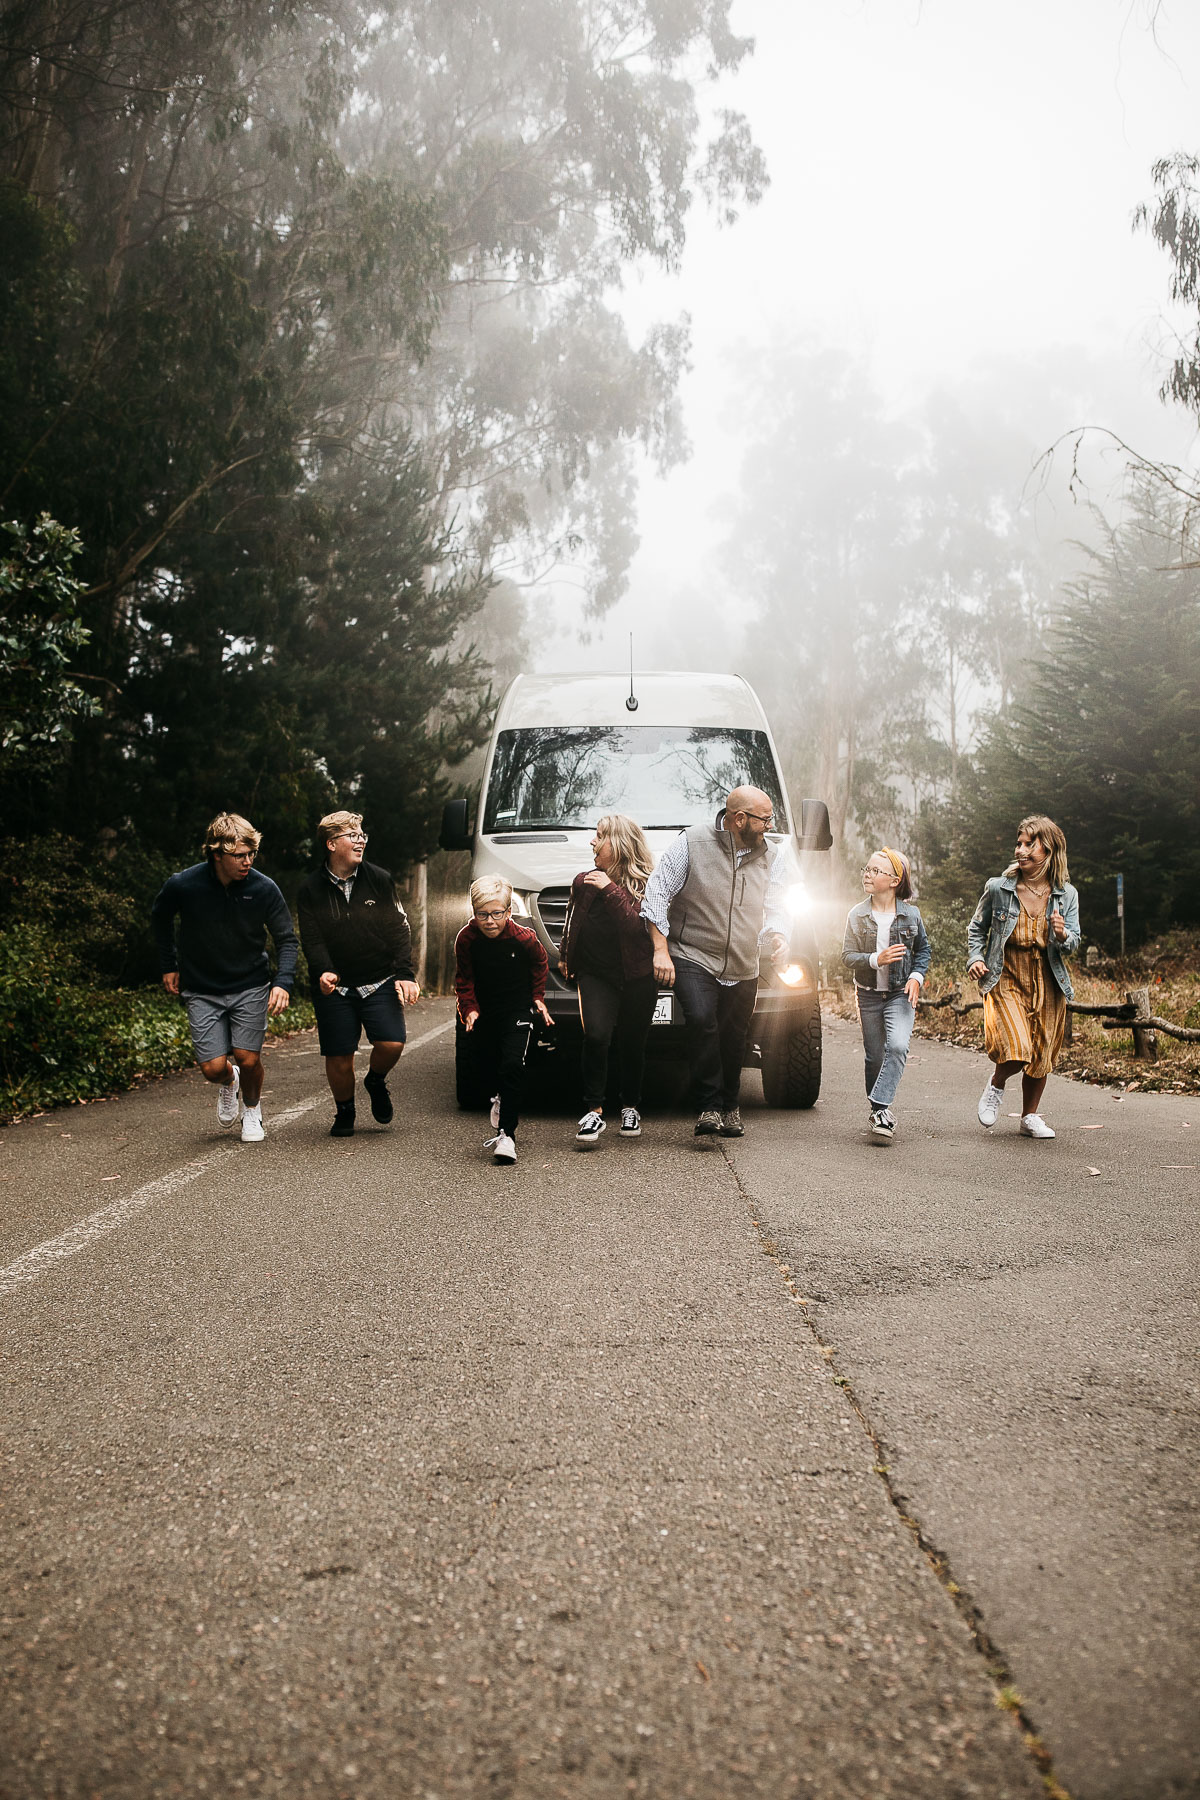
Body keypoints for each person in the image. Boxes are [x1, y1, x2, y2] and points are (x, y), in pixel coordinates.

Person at [640, 785, 790, 1137]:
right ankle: (709, 1106)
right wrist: (660, 949)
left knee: (734, 1035)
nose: (769, 825)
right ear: (740, 819)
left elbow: (778, 906)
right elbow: (658, 893)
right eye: (764, 819)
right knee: (702, 1019)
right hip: (693, 953)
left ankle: (730, 1105)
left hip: (743, 961)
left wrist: (780, 936)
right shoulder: (691, 843)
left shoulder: (773, 856)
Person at [150, 811, 297, 1143]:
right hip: (201, 988)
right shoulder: (183, 885)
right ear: (217, 854)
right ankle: (229, 1082)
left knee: (248, 1057)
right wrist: (168, 964)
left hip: (250, 984)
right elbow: (160, 918)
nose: (247, 862)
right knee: (213, 1068)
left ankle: (253, 1111)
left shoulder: (263, 888)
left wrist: (283, 982)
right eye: (239, 856)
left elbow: (286, 939)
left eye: (251, 854)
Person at [296, 811, 420, 1138]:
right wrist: (323, 970)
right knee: (339, 1055)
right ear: (331, 843)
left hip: (378, 979)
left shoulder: (378, 879)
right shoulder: (310, 889)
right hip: (334, 987)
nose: (361, 839)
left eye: (362, 834)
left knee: (392, 1043)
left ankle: (375, 1080)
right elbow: (312, 937)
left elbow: (399, 928)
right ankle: (345, 1110)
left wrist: (405, 974)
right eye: (352, 834)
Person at [967, 814, 1081, 1139]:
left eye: (1030, 844)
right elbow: (977, 928)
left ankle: (1029, 1116)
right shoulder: (999, 888)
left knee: (1042, 1053)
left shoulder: (1066, 894)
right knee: (1017, 1047)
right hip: (1006, 975)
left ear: (1049, 849)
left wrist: (1062, 935)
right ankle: (996, 1084)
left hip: (1048, 980)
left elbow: (1073, 941)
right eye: (1019, 843)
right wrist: (975, 957)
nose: (1021, 849)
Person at [559, 813, 658, 1147]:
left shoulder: (647, 883)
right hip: (595, 973)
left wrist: (611, 889)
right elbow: (572, 922)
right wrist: (565, 956)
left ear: (618, 843)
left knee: (632, 1042)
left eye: (600, 836)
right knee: (597, 1036)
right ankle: (594, 1110)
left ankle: (630, 1106)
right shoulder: (583, 882)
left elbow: (637, 928)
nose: (593, 841)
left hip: (637, 975)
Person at [454, 877, 552, 1165]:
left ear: (508, 912)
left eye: (497, 913)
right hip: (484, 1012)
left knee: (512, 1064)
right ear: (474, 913)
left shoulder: (524, 938)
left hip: (517, 1010)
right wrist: (469, 1008)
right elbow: (464, 978)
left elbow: (540, 962)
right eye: (482, 914)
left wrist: (537, 997)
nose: (490, 921)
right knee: (487, 1065)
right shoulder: (466, 939)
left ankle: (506, 1134)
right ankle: (498, 1095)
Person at [841, 848, 931, 1143]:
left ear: (895, 880)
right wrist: (874, 959)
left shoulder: (911, 915)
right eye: (866, 869)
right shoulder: (857, 915)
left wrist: (917, 977)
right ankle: (879, 1111)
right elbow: (846, 956)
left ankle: (880, 1109)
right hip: (867, 994)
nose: (868, 874)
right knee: (875, 1056)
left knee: (898, 1047)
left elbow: (923, 951)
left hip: (899, 994)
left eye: (876, 871)